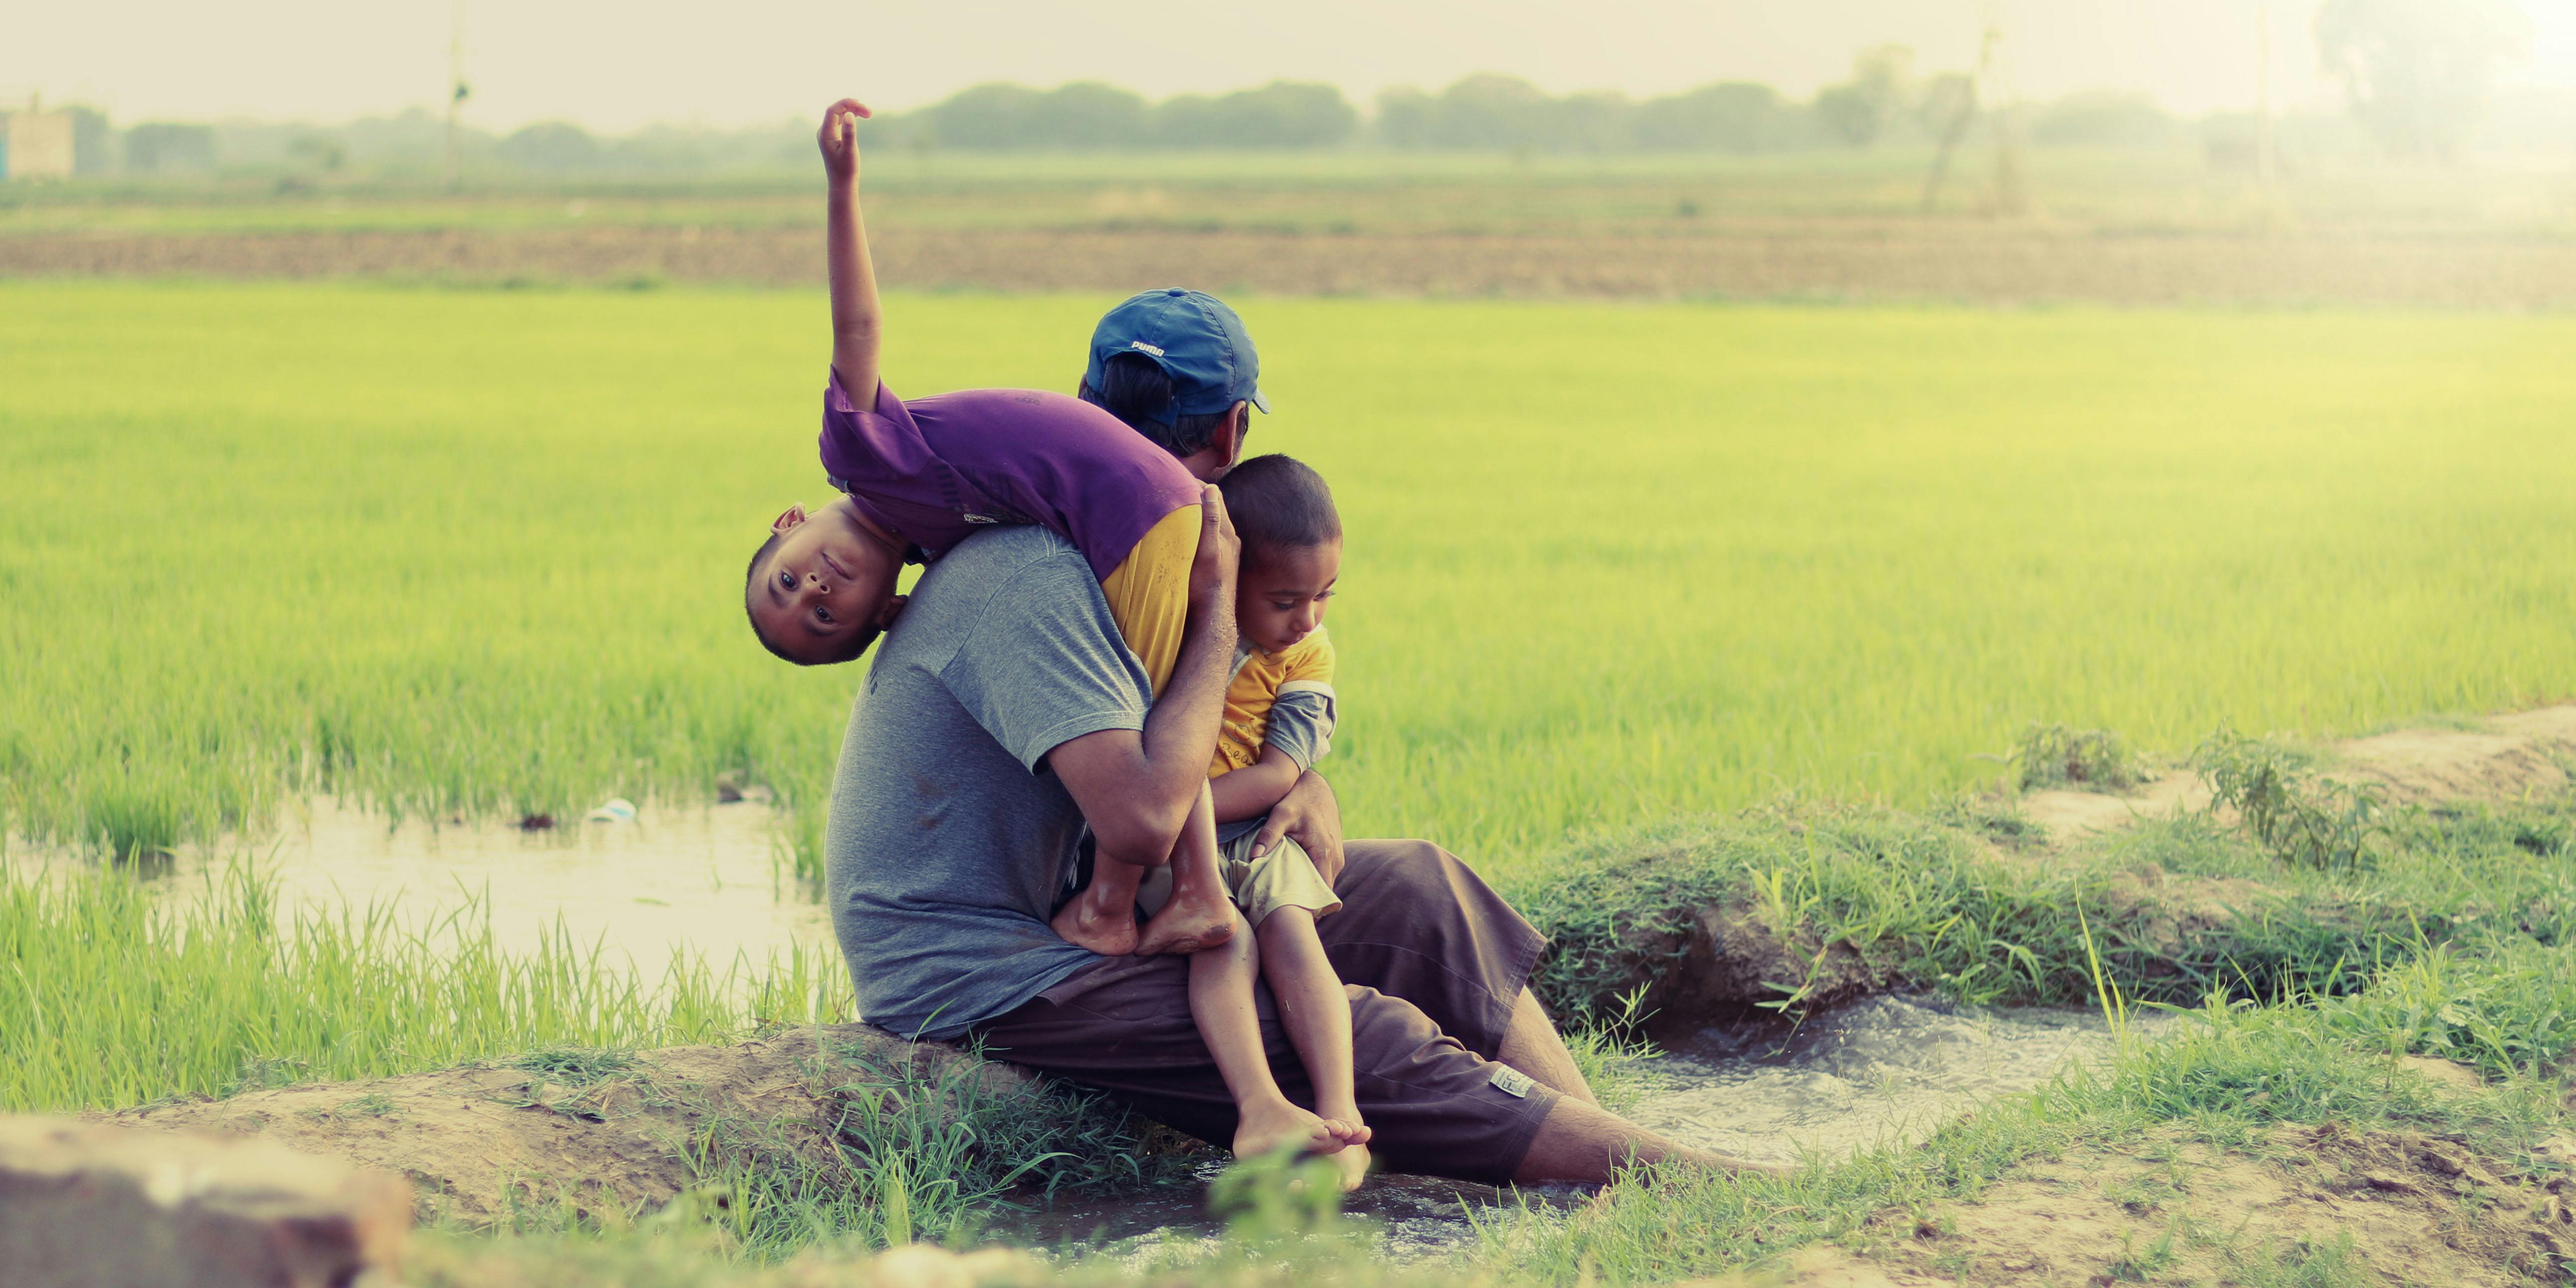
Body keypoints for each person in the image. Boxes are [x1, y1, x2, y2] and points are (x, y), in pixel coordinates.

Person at [824, 262, 1783, 1194]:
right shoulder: (1034, 574)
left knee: (1418, 884)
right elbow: (1144, 823)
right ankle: (1709, 1184)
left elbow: (1203, 747)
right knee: (1358, 1034)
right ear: (1233, 433)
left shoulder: (1122, 564)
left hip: (1075, 893)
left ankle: (1617, 1154)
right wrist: (1216, 613)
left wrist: (1298, 775)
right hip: (981, 963)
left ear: (1084, 404)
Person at [746, 97, 1239, 963]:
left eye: (788, 581)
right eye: (824, 617)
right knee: (1150, 712)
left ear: (788, 524)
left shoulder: (860, 450)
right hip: (1144, 510)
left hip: (1139, 514)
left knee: (1144, 736)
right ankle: (1186, 890)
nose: (815, 589)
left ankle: (1117, 909)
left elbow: (856, 327)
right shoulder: (943, 544)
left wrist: (842, 184)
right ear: (889, 609)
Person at [1135, 453, 1368, 1184]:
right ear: (1228, 576)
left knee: (1294, 935)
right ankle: (1259, 1106)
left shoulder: (1307, 653)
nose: (1306, 618)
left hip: (1255, 831)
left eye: (1324, 595)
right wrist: (1164, 809)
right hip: (1171, 850)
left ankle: (1342, 1114)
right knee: (1225, 941)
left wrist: (1171, 795)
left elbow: (1280, 772)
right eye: (1285, 599)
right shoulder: (1176, 628)